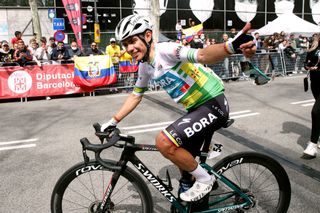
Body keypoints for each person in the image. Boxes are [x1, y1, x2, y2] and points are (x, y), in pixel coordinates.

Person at [100, 14, 256, 202]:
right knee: (182, 163)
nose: (129, 48)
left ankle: (206, 179)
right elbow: (136, 95)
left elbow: (202, 55)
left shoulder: (166, 50)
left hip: (213, 103)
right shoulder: (145, 66)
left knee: (164, 142)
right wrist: (112, 121)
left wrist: (229, 47)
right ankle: (193, 191)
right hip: (196, 109)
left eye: (133, 41)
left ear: (148, 36)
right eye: (125, 44)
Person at [302, 33, 320, 158]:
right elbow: (306, 62)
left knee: (316, 112)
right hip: (315, 82)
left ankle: (313, 144)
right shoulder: (315, 46)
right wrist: (307, 66)